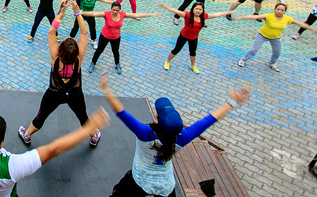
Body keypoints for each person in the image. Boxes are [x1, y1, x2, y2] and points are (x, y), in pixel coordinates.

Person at [101, 75, 251, 197]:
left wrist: (106, 89)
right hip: (166, 186)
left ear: (157, 119)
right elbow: (209, 120)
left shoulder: (146, 133)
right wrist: (232, 103)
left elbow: (120, 111)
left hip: (141, 182)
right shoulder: (182, 137)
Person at [18, 0, 106, 146]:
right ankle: (93, 137)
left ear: (60, 50)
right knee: (83, 118)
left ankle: (27, 135)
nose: (67, 37)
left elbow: (52, 31)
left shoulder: (55, 57)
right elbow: (84, 32)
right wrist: (77, 12)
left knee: (41, 116)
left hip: (54, 93)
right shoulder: (79, 58)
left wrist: (61, 12)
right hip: (75, 94)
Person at [235, 3, 317, 72]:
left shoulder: (287, 19)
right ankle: (243, 60)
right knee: (254, 50)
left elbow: (300, 24)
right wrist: (241, 17)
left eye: (282, 10)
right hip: (262, 35)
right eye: (278, 9)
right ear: (274, 9)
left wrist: (313, 29)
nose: (279, 11)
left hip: (275, 38)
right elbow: (255, 17)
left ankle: (271, 63)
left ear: (285, 11)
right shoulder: (268, 16)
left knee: (277, 52)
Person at [157, 2, 234, 74]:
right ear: (193, 9)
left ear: (202, 10)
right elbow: (176, 11)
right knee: (176, 50)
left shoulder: (204, 16)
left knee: (193, 52)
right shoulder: (187, 15)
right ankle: (167, 61)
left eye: (200, 9)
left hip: (194, 38)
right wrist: (165, 6)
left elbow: (216, 14)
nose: (198, 11)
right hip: (183, 36)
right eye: (196, 9)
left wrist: (228, 12)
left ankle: (192, 65)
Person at [84, 2, 159, 74]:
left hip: (116, 37)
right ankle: (93, 63)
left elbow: (136, 15)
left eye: (117, 10)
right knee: (99, 50)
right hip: (105, 36)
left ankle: (117, 64)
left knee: (116, 51)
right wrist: (80, 13)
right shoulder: (106, 14)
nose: (115, 12)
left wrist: (151, 14)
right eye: (114, 10)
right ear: (111, 8)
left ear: (120, 10)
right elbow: (94, 13)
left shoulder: (122, 14)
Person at [14, 0, 78, 43]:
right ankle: (31, 35)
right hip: (41, 11)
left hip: (50, 12)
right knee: (36, 24)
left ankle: (56, 35)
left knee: (54, 24)